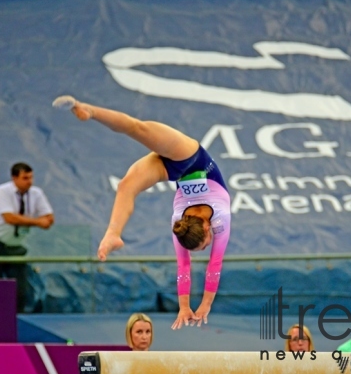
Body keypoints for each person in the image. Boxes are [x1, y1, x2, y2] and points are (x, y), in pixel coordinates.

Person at [53, 95, 231, 329]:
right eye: (206, 245)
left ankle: (112, 233)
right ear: (208, 228)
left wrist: (189, 306)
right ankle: (89, 109)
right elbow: (211, 264)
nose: (208, 246)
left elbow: (185, 265)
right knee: (138, 129)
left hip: (170, 170)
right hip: (190, 157)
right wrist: (199, 305)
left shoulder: (180, 223)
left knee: (126, 186)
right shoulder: (221, 219)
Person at [0, 162, 54, 312]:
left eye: (31, 177)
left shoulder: (36, 193)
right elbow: (9, 218)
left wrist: (42, 221)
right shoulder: (3, 191)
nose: (29, 181)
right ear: (14, 178)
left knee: (19, 287)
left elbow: (48, 217)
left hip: (15, 245)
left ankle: (17, 318)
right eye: (25, 178)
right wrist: (36, 222)